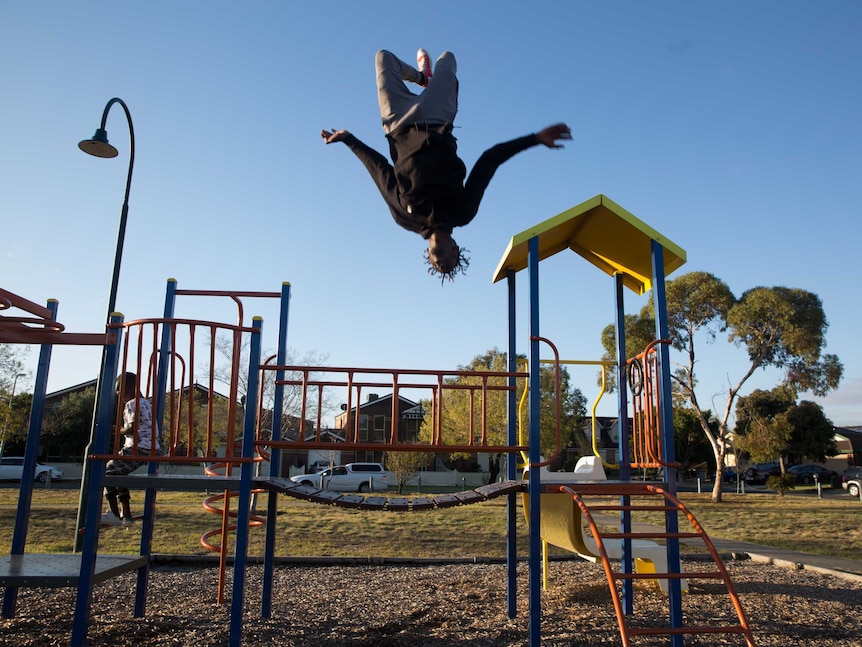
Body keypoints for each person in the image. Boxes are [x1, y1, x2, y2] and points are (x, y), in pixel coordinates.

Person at [321, 48, 572, 282]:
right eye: (449, 262)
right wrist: (536, 139)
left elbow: (380, 170)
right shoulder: (463, 211)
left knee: (383, 57)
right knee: (447, 59)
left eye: (437, 264)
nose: (442, 262)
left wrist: (348, 139)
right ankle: (429, 79)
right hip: (437, 118)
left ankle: (420, 78)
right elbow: (489, 160)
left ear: (429, 255)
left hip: (396, 123)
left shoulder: (405, 218)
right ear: (454, 247)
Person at [101, 372, 160, 528]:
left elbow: (131, 429)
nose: (118, 396)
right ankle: (126, 515)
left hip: (137, 447)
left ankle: (114, 514)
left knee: (106, 473)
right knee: (119, 474)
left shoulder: (132, 404)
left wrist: (115, 430)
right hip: (152, 448)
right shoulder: (147, 403)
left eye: (118, 391)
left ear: (126, 387)